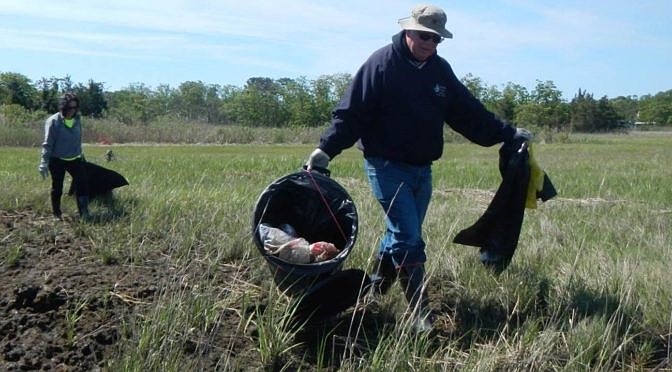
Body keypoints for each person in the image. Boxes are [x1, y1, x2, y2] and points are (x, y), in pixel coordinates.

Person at [305, 4, 532, 332]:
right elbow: (352, 112)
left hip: (421, 170)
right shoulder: (381, 64)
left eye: (437, 40)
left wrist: (508, 133)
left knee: (398, 235)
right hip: (385, 167)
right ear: (409, 31)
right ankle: (419, 316)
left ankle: (375, 288)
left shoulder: (439, 71)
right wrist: (325, 149)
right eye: (425, 36)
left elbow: (469, 112)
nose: (430, 44)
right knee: (409, 238)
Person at [39, 93, 90, 220]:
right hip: (57, 160)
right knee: (58, 187)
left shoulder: (77, 120)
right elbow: (47, 144)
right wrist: (43, 163)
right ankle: (57, 214)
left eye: (75, 108)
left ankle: (83, 213)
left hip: (75, 159)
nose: (72, 111)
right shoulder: (53, 122)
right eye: (69, 108)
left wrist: (81, 155)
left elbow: (77, 140)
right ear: (63, 107)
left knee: (83, 183)